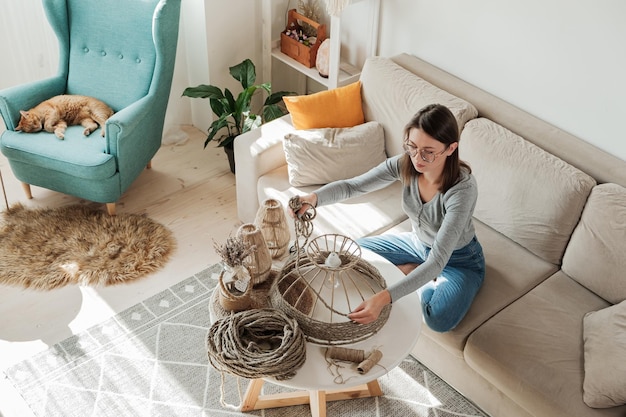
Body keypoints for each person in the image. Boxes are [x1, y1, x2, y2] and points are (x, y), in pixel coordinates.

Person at [291, 103, 485, 332]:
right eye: (412, 146)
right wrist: (314, 198)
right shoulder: (406, 163)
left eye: (428, 152)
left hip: (458, 260)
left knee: (437, 318)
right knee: (351, 254)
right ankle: (415, 270)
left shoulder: (462, 190)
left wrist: (384, 298)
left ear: (451, 149)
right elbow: (353, 186)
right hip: (418, 244)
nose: (417, 157)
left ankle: (418, 277)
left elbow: (438, 260)